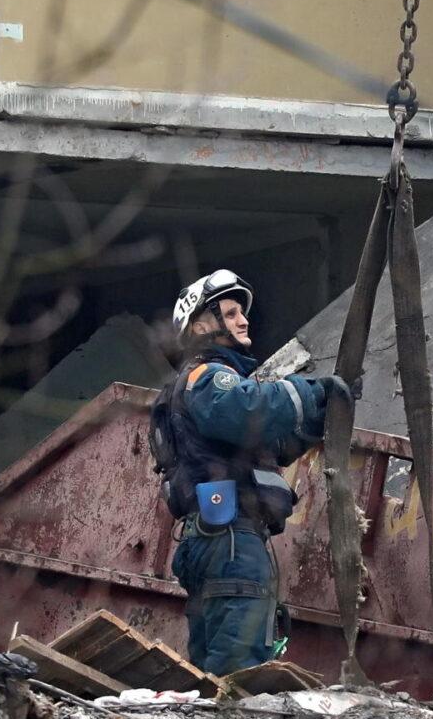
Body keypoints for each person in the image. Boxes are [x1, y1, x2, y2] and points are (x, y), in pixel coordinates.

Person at [149, 270, 352, 674]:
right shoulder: (207, 378)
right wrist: (312, 391)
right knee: (239, 672)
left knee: (212, 670)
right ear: (202, 326)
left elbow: (270, 447)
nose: (244, 321)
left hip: (211, 539)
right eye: (231, 312)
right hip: (230, 544)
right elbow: (245, 410)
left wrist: (320, 414)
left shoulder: (197, 389)